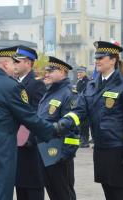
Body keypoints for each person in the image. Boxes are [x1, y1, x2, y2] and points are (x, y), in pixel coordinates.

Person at [0, 47, 66, 200]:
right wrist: (54, 130)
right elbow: (28, 117)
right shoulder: (11, 86)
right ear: (6, 64)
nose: (15, 67)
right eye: (13, 63)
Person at [59, 41, 123, 200]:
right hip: (100, 146)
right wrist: (62, 124)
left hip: (118, 148)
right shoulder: (91, 85)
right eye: (96, 57)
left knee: (118, 193)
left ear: (113, 60)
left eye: (101, 57)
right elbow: (79, 111)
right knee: (108, 191)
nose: (96, 60)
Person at [39, 56, 78, 200]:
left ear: (62, 72)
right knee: (53, 193)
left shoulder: (69, 94)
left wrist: (67, 153)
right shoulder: (50, 91)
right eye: (46, 70)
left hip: (59, 154)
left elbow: (73, 125)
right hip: (46, 152)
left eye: (51, 71)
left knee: (64, 194)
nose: (46, 74)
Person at [13, 45, 46, 200]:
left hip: (30, 145)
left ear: (28, 63)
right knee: (20, 188)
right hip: (16, 144)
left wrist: (28, 139)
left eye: (18, 62)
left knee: (32, 188)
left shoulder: (36, 84)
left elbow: (36, 115)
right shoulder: (14, 83)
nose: (14, 64)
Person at [76, 66, 90, 148]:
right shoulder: (79, 81)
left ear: (84, 73)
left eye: (80, 72)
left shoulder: (87, 81)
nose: (79, 74)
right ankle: (82, 139)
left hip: (85, 105)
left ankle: (85, 141)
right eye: (78, 72)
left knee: (85, 125)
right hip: (79, 105)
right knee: (80, 124)